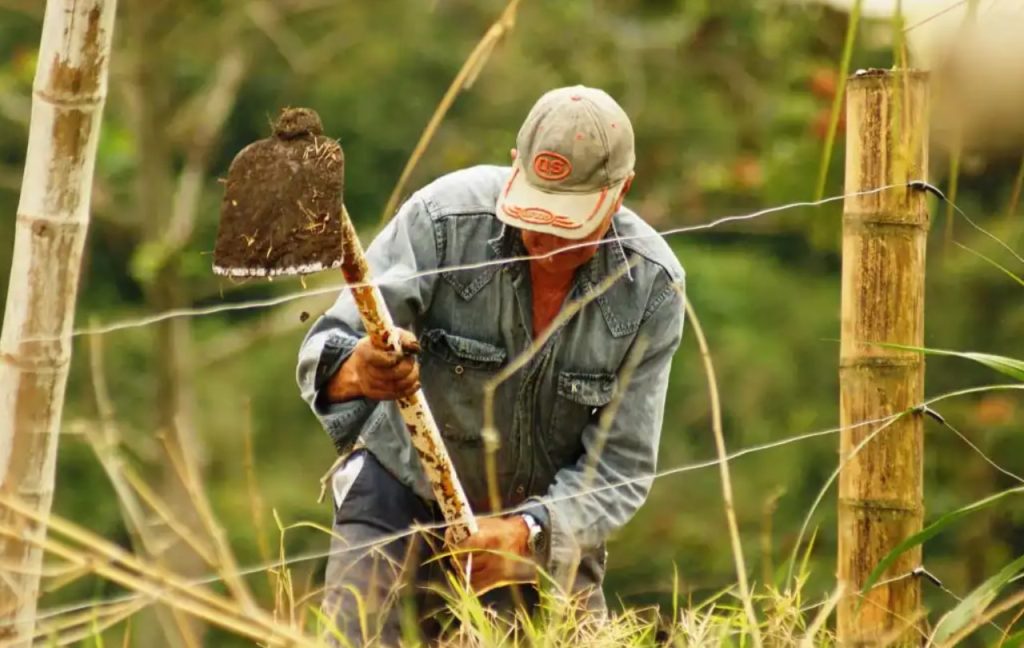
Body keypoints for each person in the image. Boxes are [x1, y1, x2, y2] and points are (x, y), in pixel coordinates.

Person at [296, 85, 685, 645]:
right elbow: (326, 352)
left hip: (542, 534)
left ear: (621, 191)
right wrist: (360, 370)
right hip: (398, 500)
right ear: (515, 167)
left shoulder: (651, 286)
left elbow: (620, 466)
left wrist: (527, 535)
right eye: (535, 213)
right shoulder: (442, 220)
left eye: (568, 222)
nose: (545, 236)